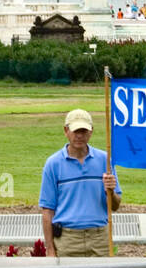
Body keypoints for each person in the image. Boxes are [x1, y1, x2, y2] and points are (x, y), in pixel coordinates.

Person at [39, 108, 121, 257]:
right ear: (66, 131)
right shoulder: (53, 164)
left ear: (91, 132)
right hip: (67, 240)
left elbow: (115, 205)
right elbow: (47, 210)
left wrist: (110, 191)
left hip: (100, 238)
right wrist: (50, 249)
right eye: (75, 131)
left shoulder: (105, 160)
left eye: (84, 131)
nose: (79, 136)